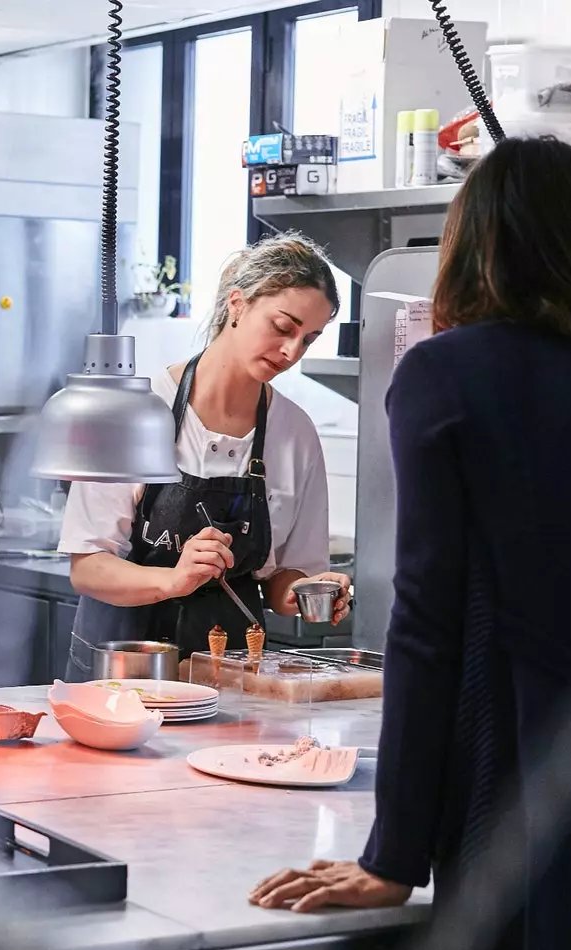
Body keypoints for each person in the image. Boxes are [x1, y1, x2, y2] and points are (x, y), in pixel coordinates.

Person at [250, 138, 571, 950]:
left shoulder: (447, 374)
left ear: (472, 252)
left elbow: (424, 623)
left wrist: (392, 855)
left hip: (517, 779)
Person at [57, 232, 352, 675]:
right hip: (120, 673)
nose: (292, 351)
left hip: (229, 672)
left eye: (309, 339)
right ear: (237, 304)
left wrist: (309, 591)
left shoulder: (295, 434)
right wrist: (173, 579)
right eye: (282, 327)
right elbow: (88, 568)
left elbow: (281, 584)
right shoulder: (137, 411)